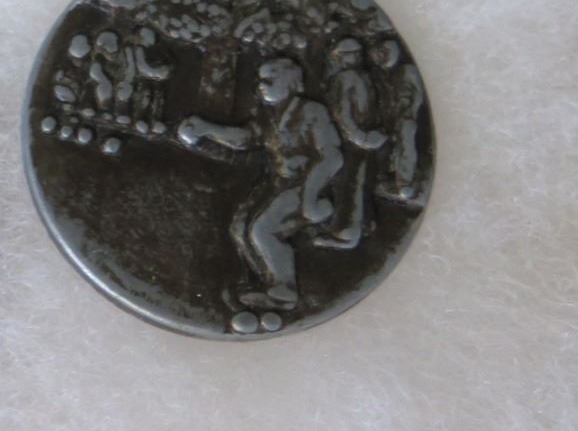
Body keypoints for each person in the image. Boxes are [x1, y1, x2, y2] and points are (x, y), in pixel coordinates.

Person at [177, 57, 343, 309]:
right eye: (260, 80)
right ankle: (268, 284)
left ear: (290, 83)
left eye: (269, 80)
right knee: (241, 228)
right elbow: (247, 137)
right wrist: (207, 129)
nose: (261, 85)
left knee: (264, 230)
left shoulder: (312, 111)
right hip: (282, 185)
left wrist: (310, 196)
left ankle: (285, 292)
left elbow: (332, 157)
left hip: (308, 185)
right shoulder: (270, 115)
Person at [319, 36, 387, 249]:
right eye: (350, 54)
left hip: (356, 140)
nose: (355, 57)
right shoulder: (351, 78)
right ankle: (356, 227)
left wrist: (364, 136)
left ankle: (351, 230)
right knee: (355, 182)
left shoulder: (353, 77)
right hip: (355, 140)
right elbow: (343, 114)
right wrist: (363, 136)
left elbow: (348, 113)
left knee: (354, 183)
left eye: (356, 53)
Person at [370, 37, 427, 207]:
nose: (383, 56)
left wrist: (412, 112)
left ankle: (405, 184)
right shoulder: (384, 75)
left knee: (405, 145)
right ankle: (399, 181)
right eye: (380, 53)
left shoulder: (408, 71)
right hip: (393, 117)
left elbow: (418, 94)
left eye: (386, 52)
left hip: (407, 116)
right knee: (397, 148)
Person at [128, 27, 173, 133]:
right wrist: (160, 71)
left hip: (155, 79)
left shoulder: (153, 50)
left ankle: (154, 119)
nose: (151, 39)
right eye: (149, 37)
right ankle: (140, 118)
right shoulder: (138, 50)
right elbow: (142, 68)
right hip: (145, 80)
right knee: (146, 96)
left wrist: (165, 68)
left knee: (158, 97)